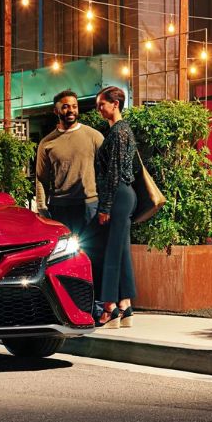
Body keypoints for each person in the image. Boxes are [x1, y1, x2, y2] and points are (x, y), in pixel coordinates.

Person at [35, 89, 105, 298]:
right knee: (62, 259)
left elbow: (106, 171)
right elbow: (41, 178)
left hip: (89, 205)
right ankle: (69, 301)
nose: (71, 110)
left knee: (93, 256)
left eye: (74, 106)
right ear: (56, 110)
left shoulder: (93, 136)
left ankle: (96, 303)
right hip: (59, 208)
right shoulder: (47, 143)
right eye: (65, 106)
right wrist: (42, 207)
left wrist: (106, 204)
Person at [94, 86, 137, 328]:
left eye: (103, 104)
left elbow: (113, 172)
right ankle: (125, 304)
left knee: (111, 251)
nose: (99, 109)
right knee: (120, 251)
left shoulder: (119, 132)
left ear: (115, 104)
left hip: (118, 194)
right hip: (121, 194)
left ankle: (109, 307)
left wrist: (105, 206)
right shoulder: (119, 131)